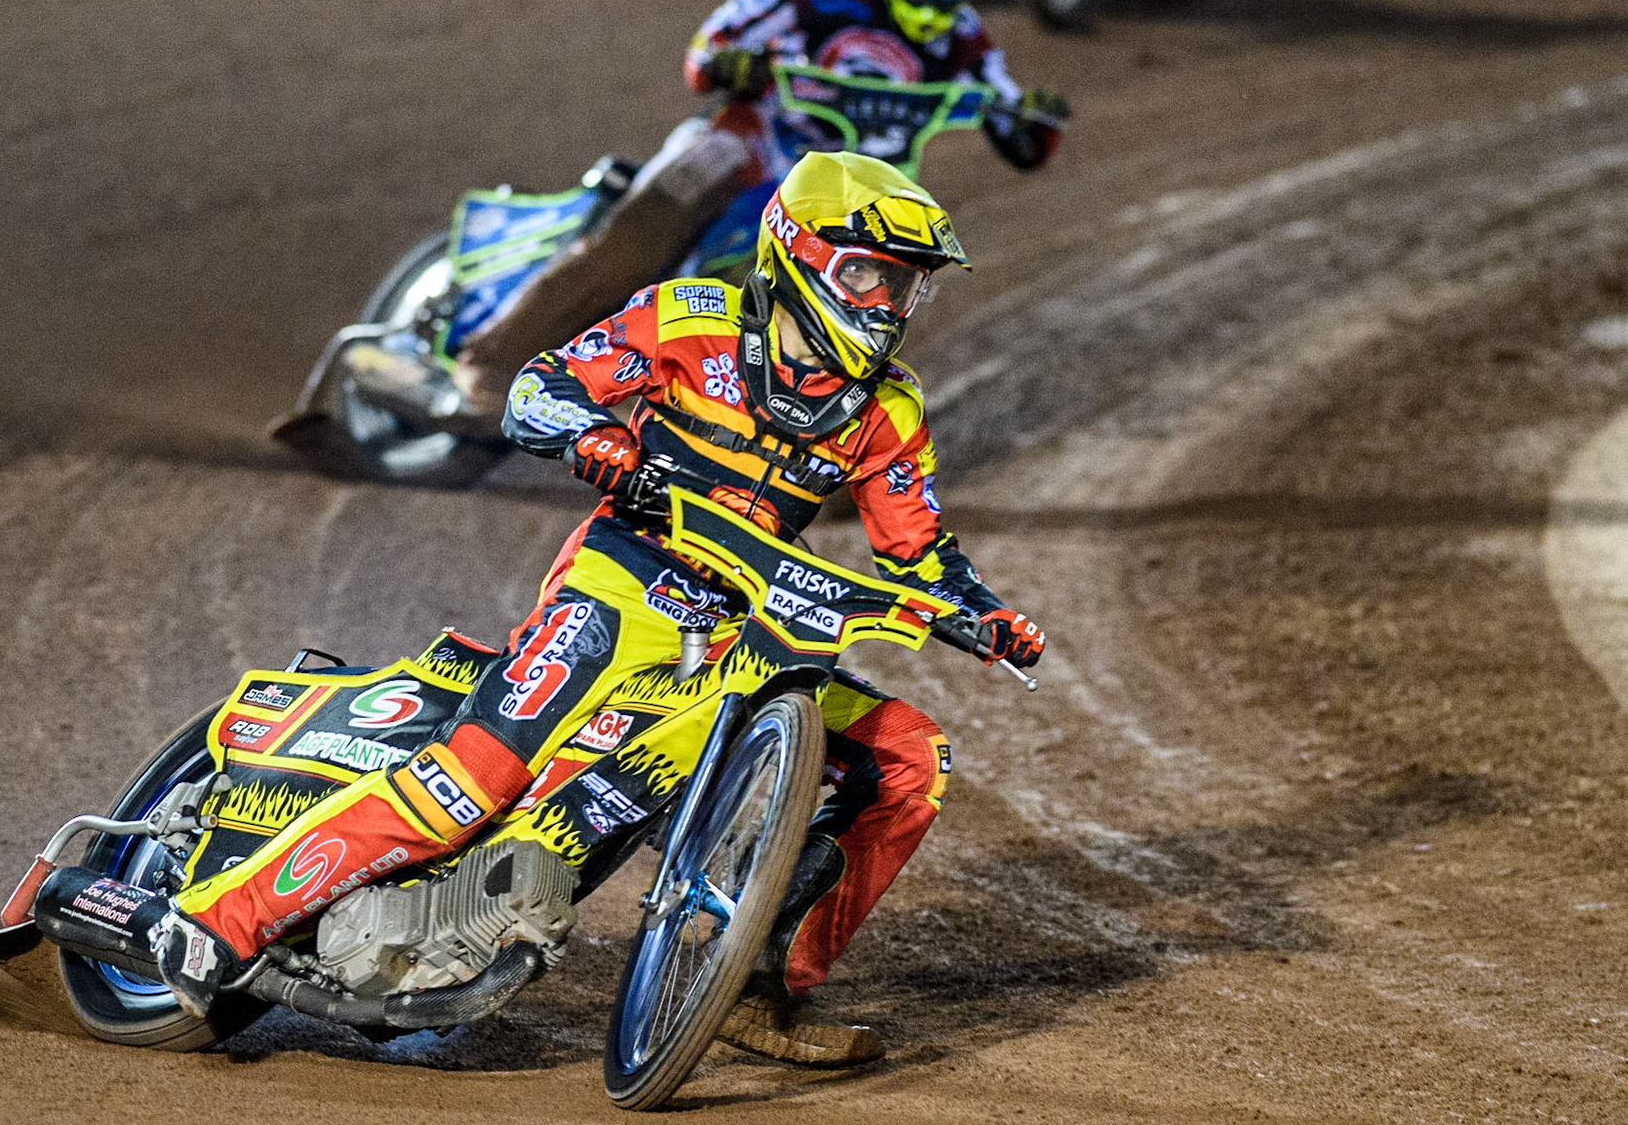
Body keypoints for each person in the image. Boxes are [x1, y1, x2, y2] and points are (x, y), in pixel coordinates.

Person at [152, 150, 1048, 1066]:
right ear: (800, 251)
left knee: (909, 758)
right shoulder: (687, 319)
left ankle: (753, 978)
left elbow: (919, 547)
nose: (885, 303)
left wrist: (981, 612)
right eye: (868, 272)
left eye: (905, 286)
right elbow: (540, 389)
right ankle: (215, 922)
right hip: (620, 585)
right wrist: (593, 437)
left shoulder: (887, 408)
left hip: (754, 623)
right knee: (471, 783)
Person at [439, 0, 1069, 422]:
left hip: (838, 210)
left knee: (868, 313)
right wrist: (729, 64)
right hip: (749, 146)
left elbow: (1021, 135)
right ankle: (491, 366)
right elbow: (707, 51)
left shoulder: (968, 42)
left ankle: (813, 443)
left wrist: (1035, 121)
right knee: (647, 227)